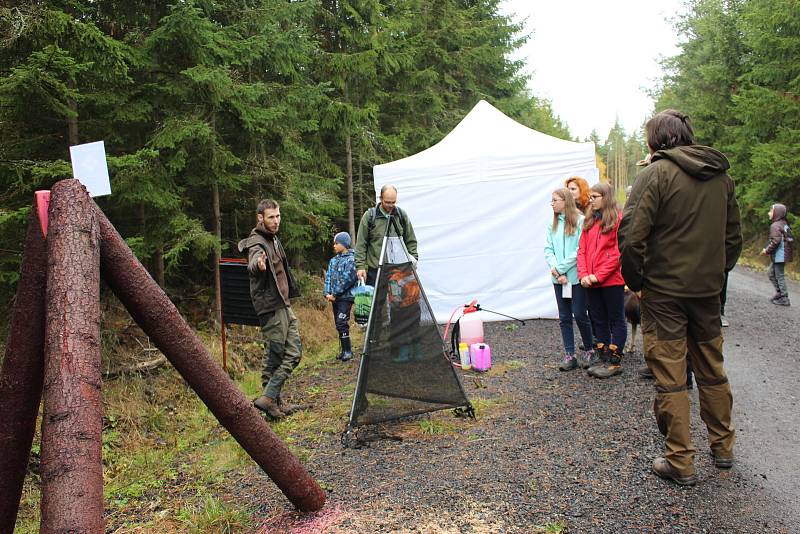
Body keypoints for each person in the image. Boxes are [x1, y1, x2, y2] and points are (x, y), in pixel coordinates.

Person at [619, 109, 742, 486]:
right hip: (706, 293)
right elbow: (733, 237)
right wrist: (717, 275)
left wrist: (636, 281)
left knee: (671, 376)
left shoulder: (654, 175)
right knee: (712, 370)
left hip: (665, 295)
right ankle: (722, 447)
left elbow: (631, 235)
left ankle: (680, 461)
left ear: (656, 139)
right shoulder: (721, 178)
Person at [238, 199, 303, 420]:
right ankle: (271, 403)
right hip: (270, 306)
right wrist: (259, 265)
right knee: (275, 354)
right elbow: (253, 262)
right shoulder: (256, 242)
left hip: (283, 304)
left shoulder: (273, 238)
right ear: (260, 218)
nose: (276, 221)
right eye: (271, 217)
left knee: (294, 353)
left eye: (278, 216)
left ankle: (270, 398)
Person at [577, 182, 627, 379]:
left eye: (595, 197)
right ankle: (603, 356)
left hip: (611, 280)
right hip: (590, 280)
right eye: (590, 197)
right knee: (598, 320)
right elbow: (581, 250)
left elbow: (617, 253)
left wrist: (598, 275)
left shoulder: (617, 220)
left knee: (616, 318)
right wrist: (583, 275)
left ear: (605, 198)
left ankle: (615, 360)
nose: (591, 200)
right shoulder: (589, 221)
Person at [544, 188, 594, 371]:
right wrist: (556, 272)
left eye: (555, 200)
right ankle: (570, 354)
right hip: (559, 279)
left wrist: (561, 268)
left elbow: (579, 251)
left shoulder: (580, 221)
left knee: (580, 314)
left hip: (575, 278)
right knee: (564, 317)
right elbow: (548, 250)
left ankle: (590, 349)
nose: (552, 203)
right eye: (552, 200)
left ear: (565, 201)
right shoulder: (552, 224)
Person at [355, 185, 418, 286]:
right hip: (376, 272)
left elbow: (411, 240)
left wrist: (413, 260)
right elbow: (361, 244)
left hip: (398, 271)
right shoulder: (370, 217)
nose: (390, 205)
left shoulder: (401, 216)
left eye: (393, 202)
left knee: (399, 301)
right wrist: (360, 266)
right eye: (387, 202)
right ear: (380, 199)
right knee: (377, 302)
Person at [324, 231, 358, 361]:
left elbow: (347, 280)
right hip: (334, 298)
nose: (334, 245)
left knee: (341, 322)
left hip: (346, 298)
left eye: (336, 243)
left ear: (344, 244)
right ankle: (343, 351)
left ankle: (348, 351)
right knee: (338, 324)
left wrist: (335, 293)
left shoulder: (352, 259)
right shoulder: (333, 260)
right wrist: (327, 293)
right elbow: (328, 277)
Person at [761, 203, 793, 306]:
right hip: (781, 255)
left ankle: (784, 298)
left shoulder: (775, 226)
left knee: (779, 275)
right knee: (771, 273)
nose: (768, 213)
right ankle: (779, 293)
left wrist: (766, 251)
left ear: (777, 213)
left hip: (780, 255)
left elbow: (776, 241)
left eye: (771, 211)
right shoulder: (784, 223)